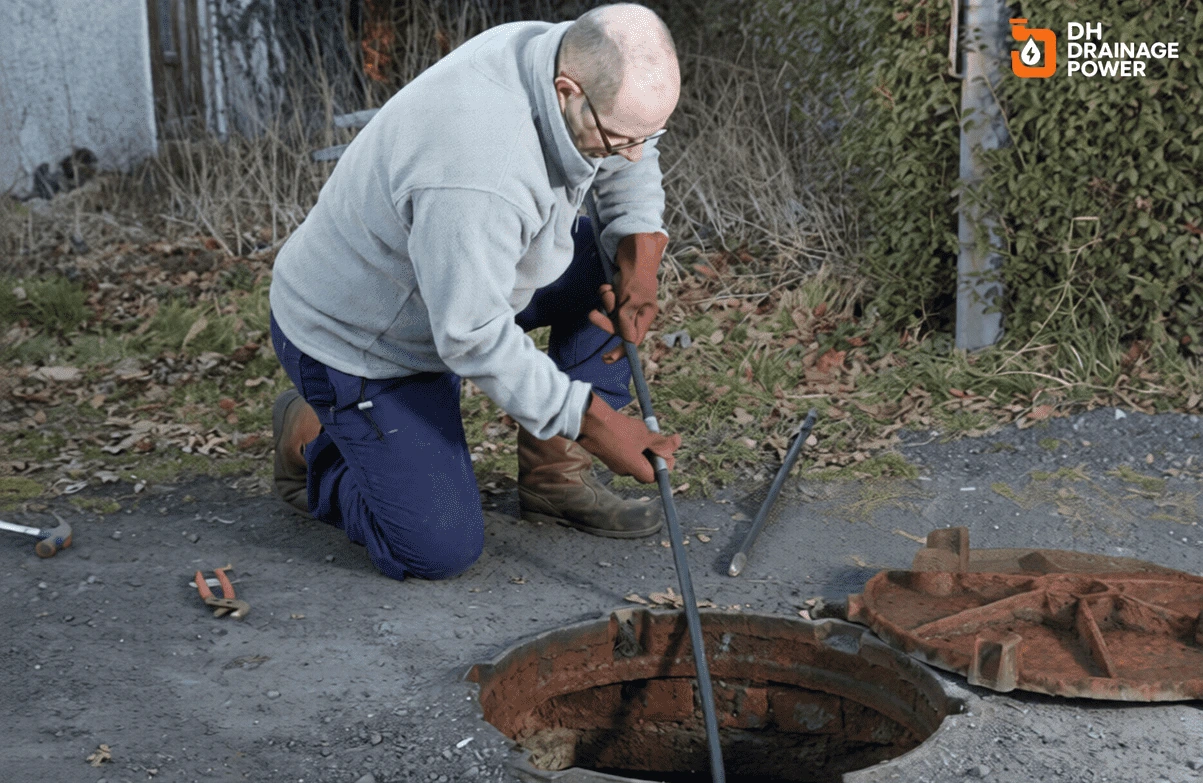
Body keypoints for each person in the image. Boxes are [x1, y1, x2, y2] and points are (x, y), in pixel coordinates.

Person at [268, 3, 682, 581]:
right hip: (363, 337)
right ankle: (310, 441)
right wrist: (597, 422)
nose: (634, 153)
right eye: (622, 140)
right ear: (569, 90)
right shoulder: (478, 166)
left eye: (648, 135)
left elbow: (631, 149)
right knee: (437, 549)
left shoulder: (559, 57)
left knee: (601, 263)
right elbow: (471, 334)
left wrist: (639, 257)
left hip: (464, 275)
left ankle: (554, 481)